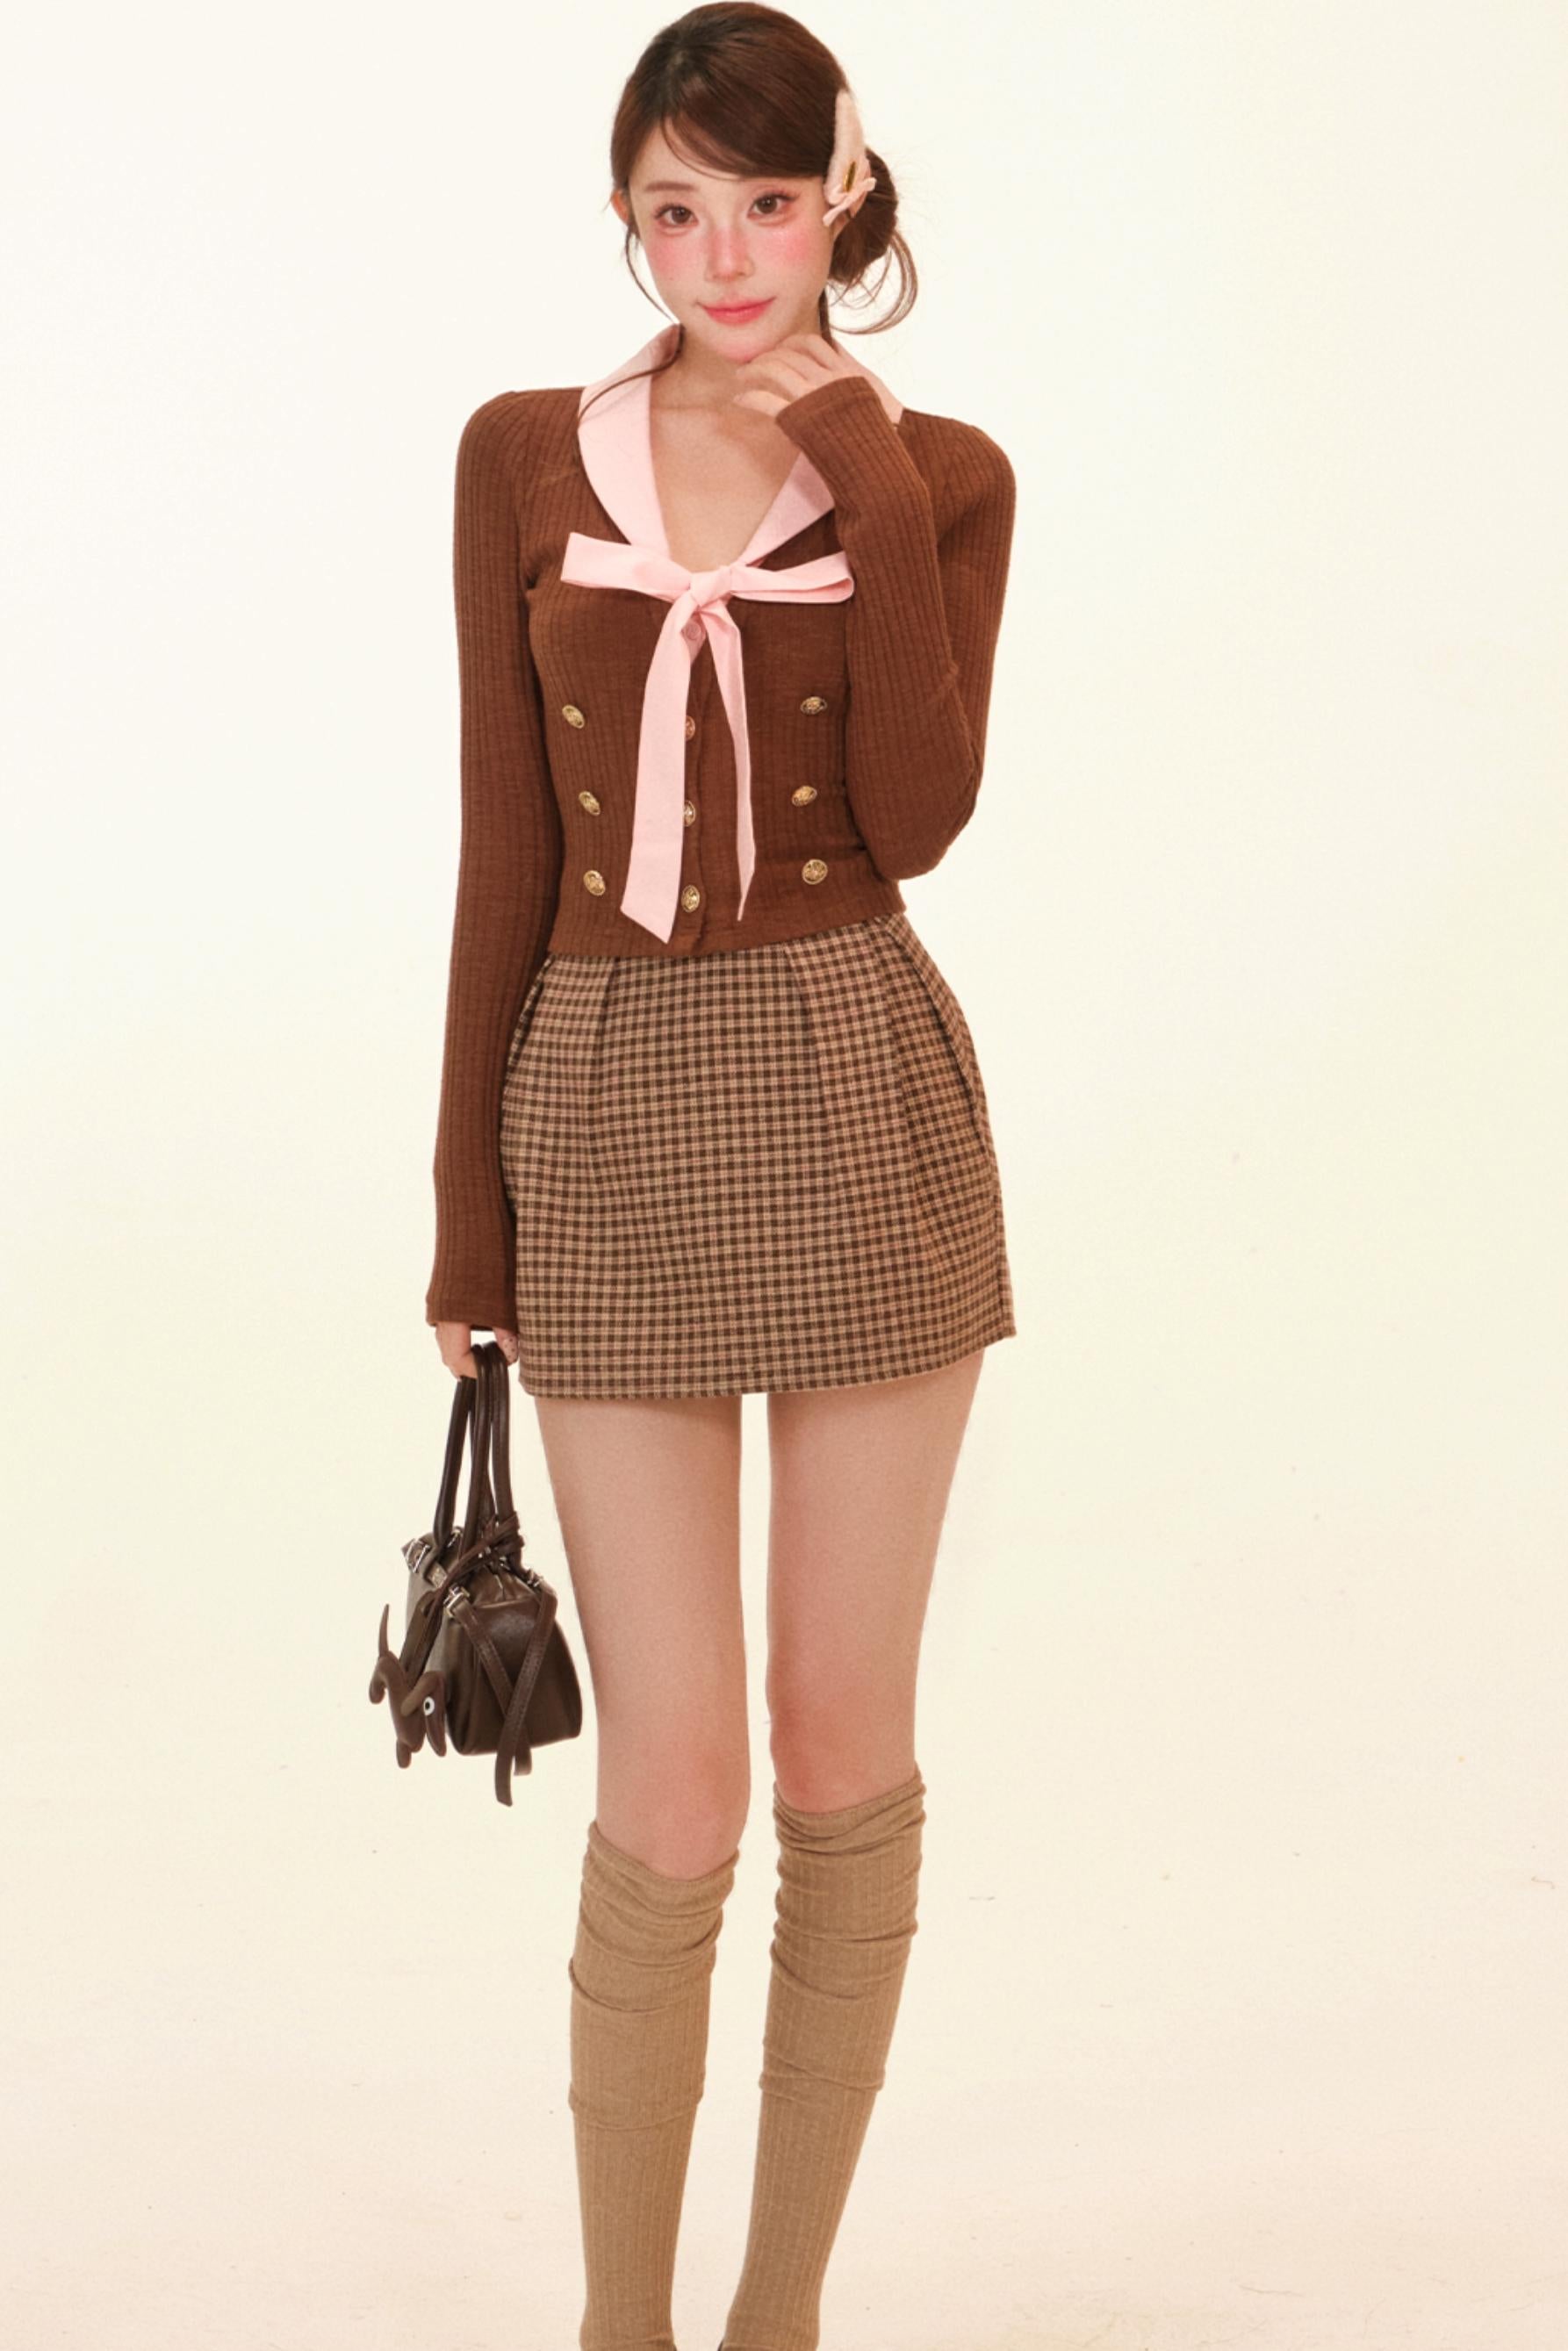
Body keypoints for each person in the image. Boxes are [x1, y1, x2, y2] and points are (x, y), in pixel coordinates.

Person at [421, 9, 1018, 2346]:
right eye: (676, 209)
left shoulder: (937, 472)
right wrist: (465, 1216)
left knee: (838, 1755)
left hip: (853, 1085)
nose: (726, 254)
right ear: (625, 218)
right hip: (598, 1107)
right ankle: (623, 2329)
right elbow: (503, 841)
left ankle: (776, 2320)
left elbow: (922, 815)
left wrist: (847, 455)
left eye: (768, 202)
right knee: (666, 1791)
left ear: (841, 200)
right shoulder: (522, 455)